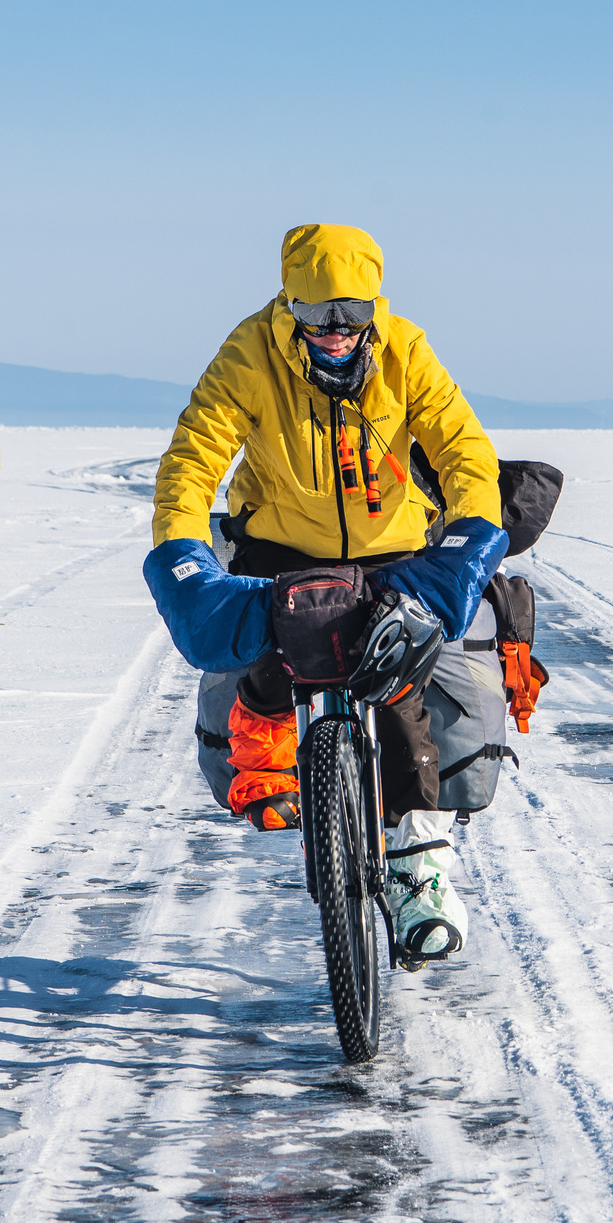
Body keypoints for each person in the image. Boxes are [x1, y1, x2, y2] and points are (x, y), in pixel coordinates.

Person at [139, 223, 511, 959]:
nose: (334, 334)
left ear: (374, 306)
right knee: (275, 658)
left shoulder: (405, 349)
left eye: (350, 315)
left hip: (390, 547)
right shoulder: (251, 352)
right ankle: (270, 763)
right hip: (280, 547)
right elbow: (195, 455)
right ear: (290, 308)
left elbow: (461, 445)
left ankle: (420, 870)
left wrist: (471, 529)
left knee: (401, 684)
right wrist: (181, 547)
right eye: (315, 317)